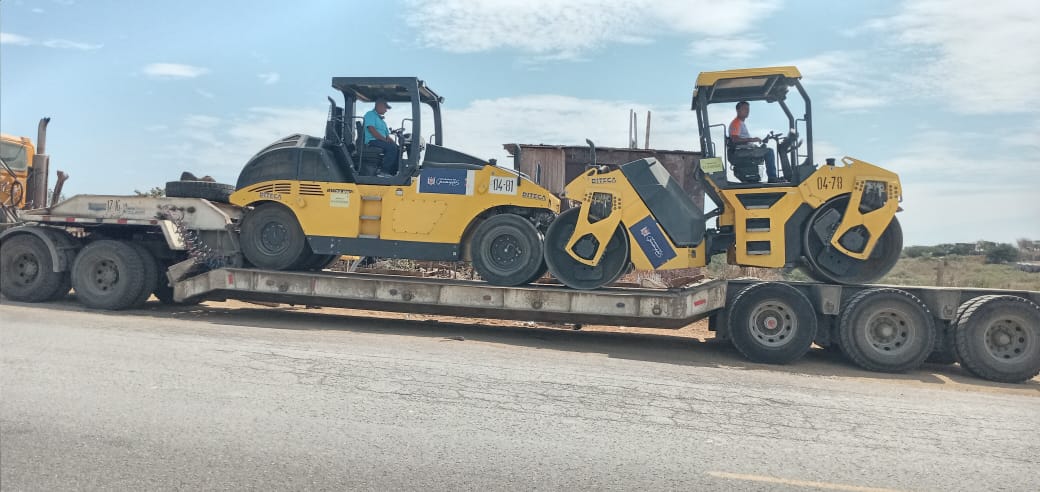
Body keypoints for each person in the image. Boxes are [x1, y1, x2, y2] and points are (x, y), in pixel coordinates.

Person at [729, 101, 780, 183]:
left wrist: (756, 142)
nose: (747, 111)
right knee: (769, 152)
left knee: (764, 148)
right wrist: (752, 139)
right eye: (744, 109)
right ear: (738, 110)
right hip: (741, 152)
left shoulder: (741, 123)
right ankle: (772, 177)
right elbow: (735, 139)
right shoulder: (736, 123)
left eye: (748, 109)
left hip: (745, 149)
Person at [362, 98, 399, 176]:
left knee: (397, 148)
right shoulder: (370, 114)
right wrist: (385, 140)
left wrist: (395, 144)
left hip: (381, 141)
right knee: (391, 147)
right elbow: (372, 130)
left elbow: (387, 136)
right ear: (379, 105)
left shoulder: (382, 122)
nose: (386, 110)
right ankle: (383, 172)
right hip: (372, 141)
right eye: (385, 108)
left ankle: (393, 173)